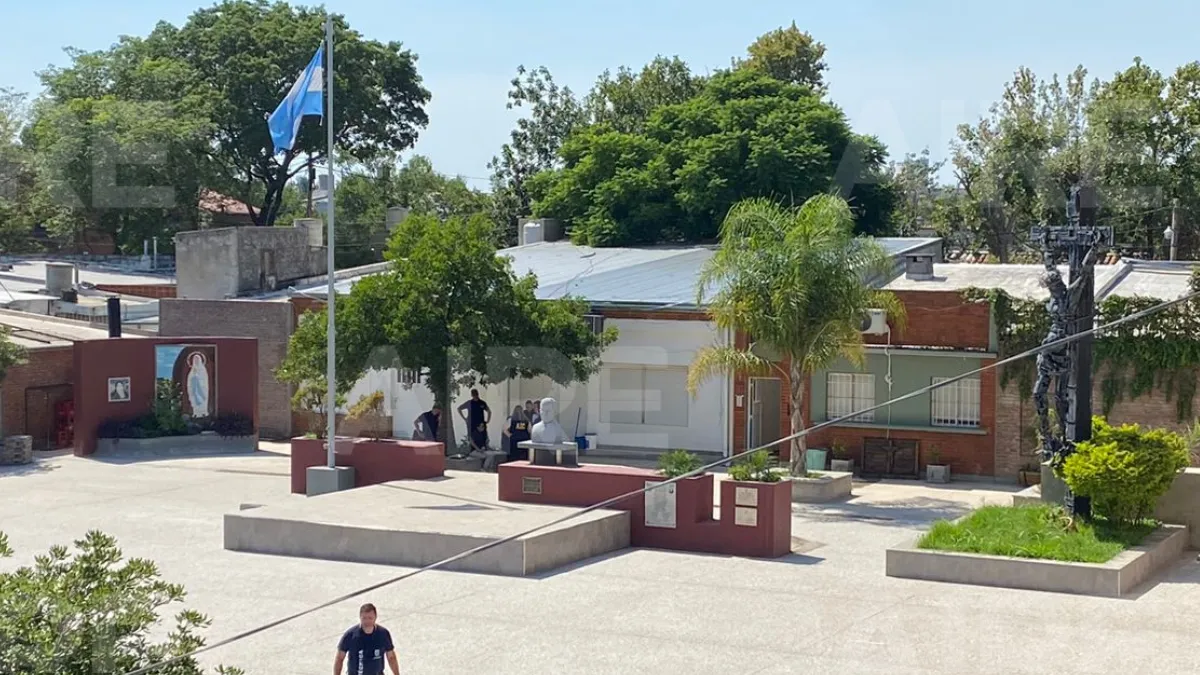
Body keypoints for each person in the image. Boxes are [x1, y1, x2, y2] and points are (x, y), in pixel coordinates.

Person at [334, 603, 398, 675]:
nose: (367, 621)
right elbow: (339, 658)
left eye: (370, 618)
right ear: (360, 617)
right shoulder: (350, 635)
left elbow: (391, 657)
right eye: (364, 618)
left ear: (375, 617)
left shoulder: (383, 634)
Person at [457, 389, 491, 454]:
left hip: (481, 423)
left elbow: (489, 411)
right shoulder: (469, 403)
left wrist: (488, 420)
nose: (475, 396)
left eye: (476, 395)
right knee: (472, 437)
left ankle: (484, 448)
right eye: (474, 395)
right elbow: (459, 408)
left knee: (483, 435)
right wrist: (464, 418)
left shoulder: (482, 403)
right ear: (472, 395)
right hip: (471, 423)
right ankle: (473, 450)